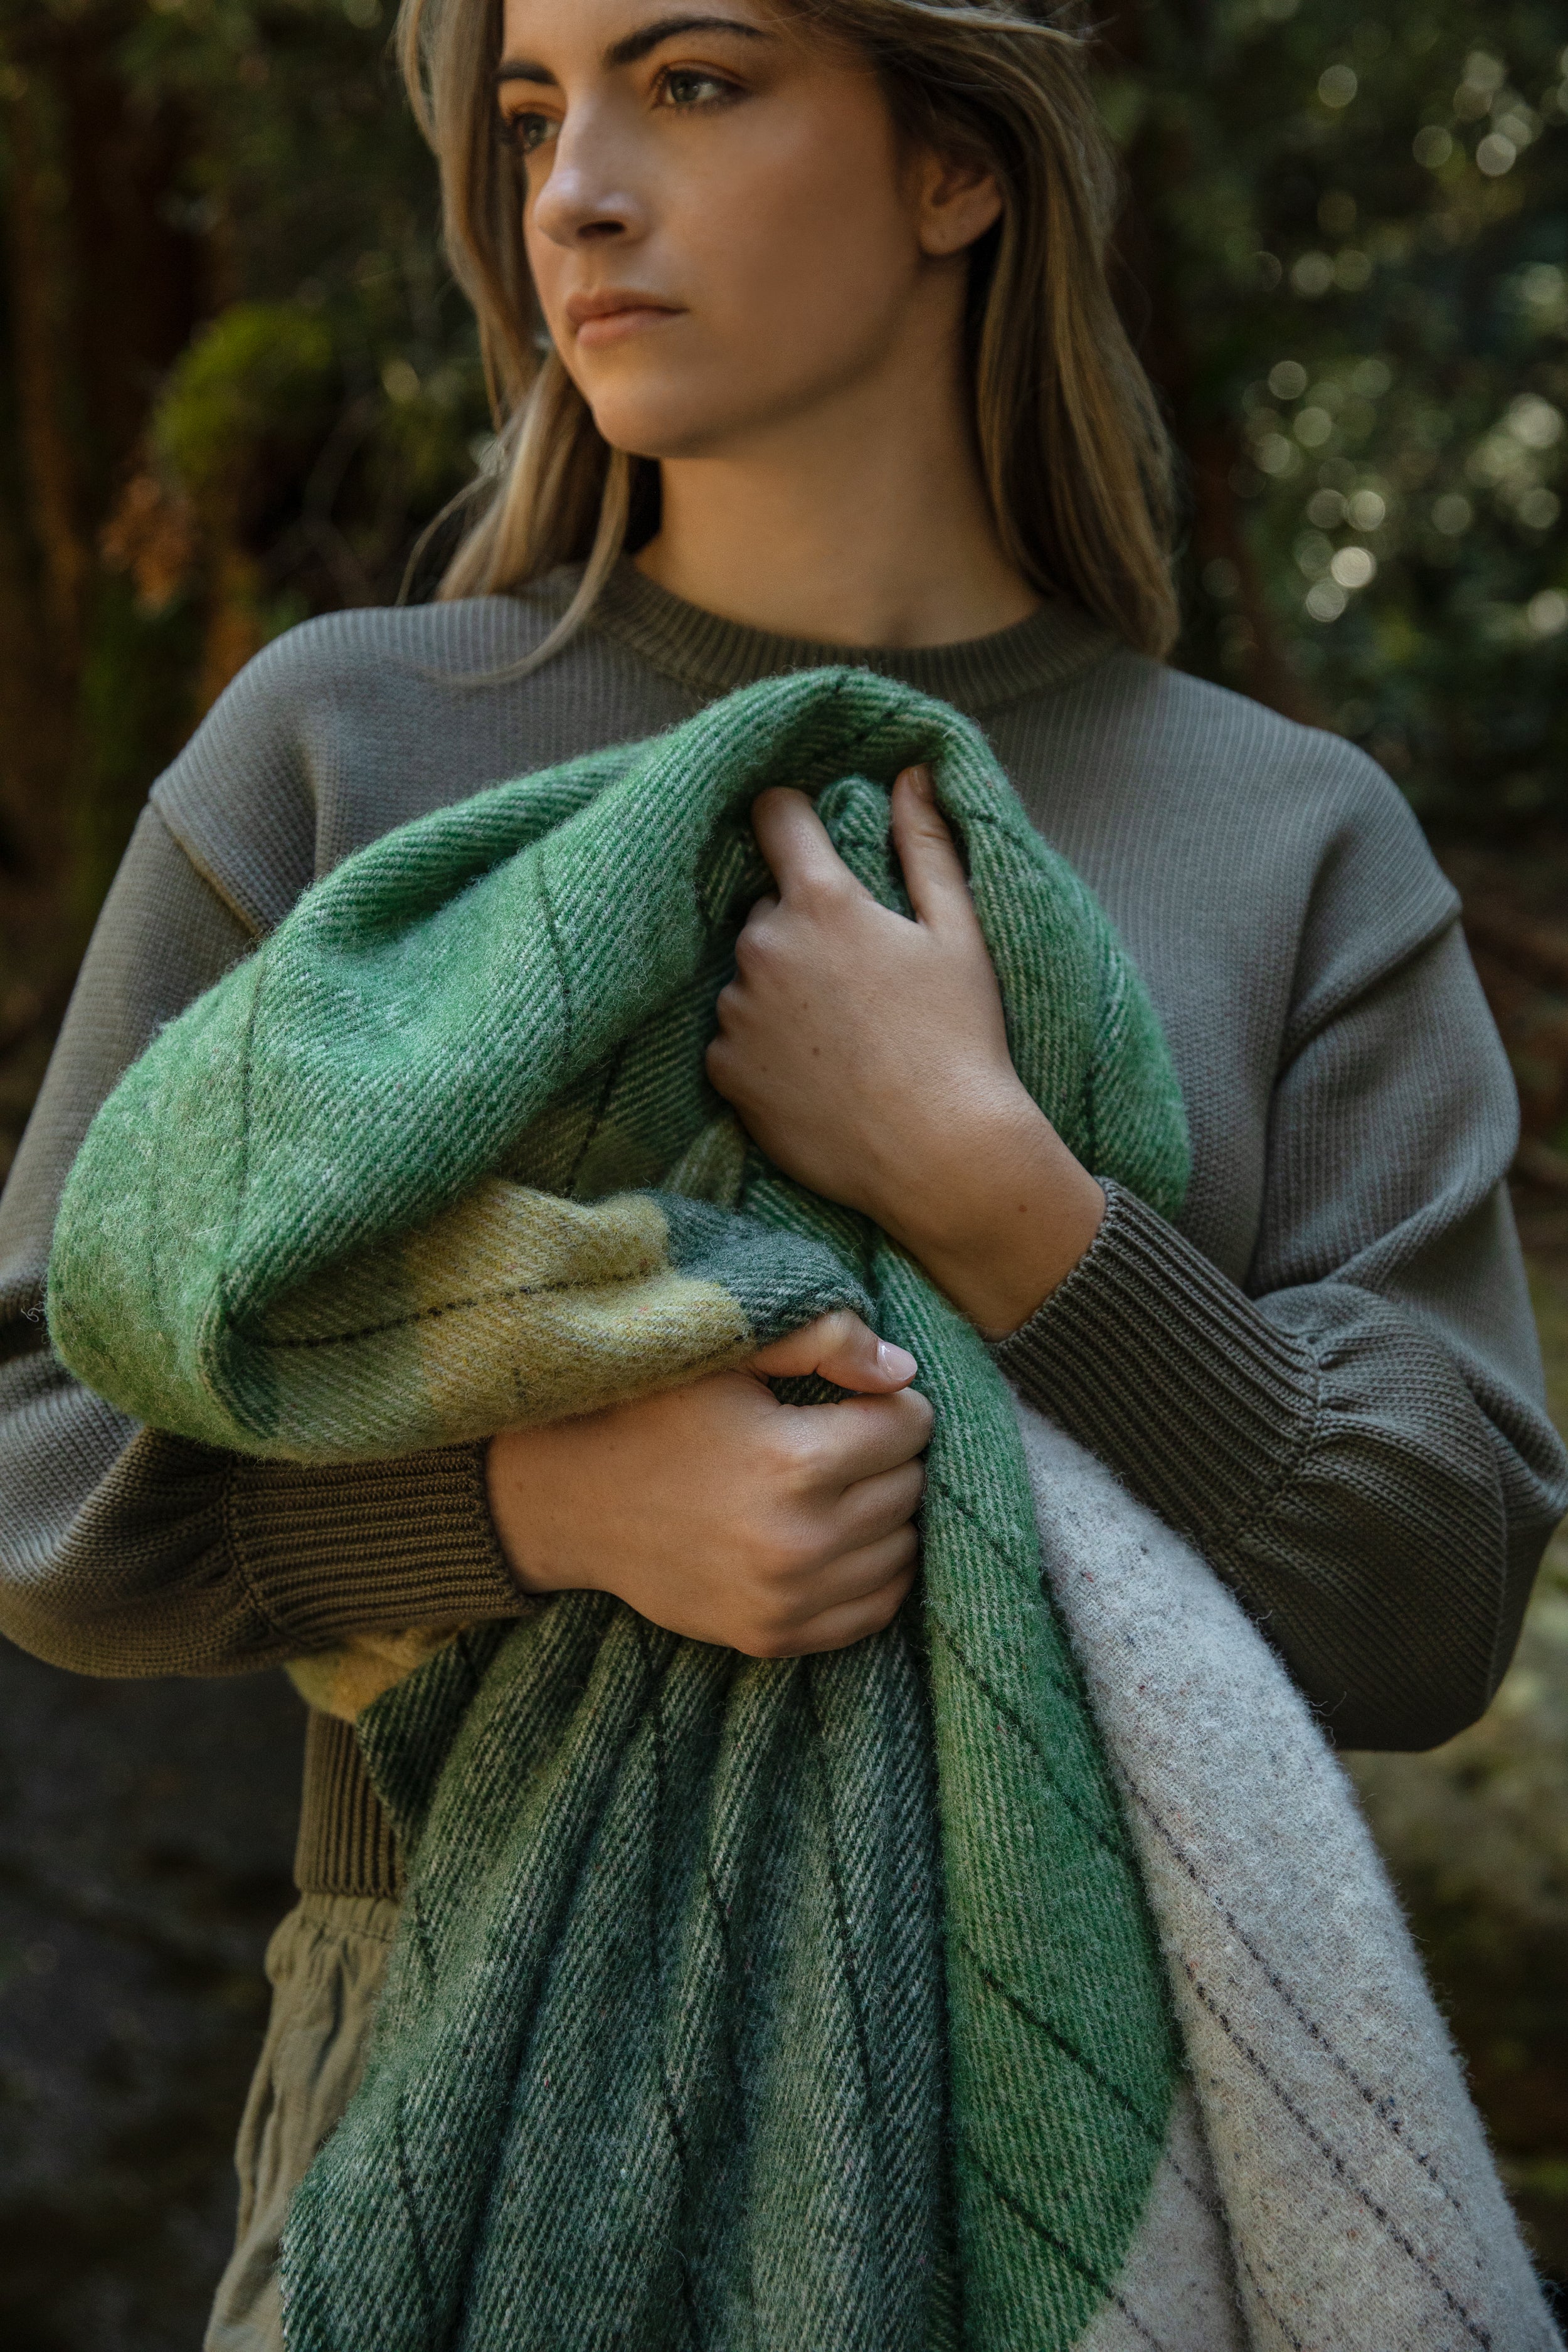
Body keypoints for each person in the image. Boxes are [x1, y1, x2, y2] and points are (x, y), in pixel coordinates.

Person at [1, 0, 1562, 2341]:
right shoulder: (345, 753)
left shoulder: (1282, 841)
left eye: (693, 82)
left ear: (957, 166)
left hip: (1103, 2140)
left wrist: (1002, 1203)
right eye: (534, 112)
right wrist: (537, 1509)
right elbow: (34, 1466)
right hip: (435, 2113)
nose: (573, 193)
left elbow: (1427, 1601)